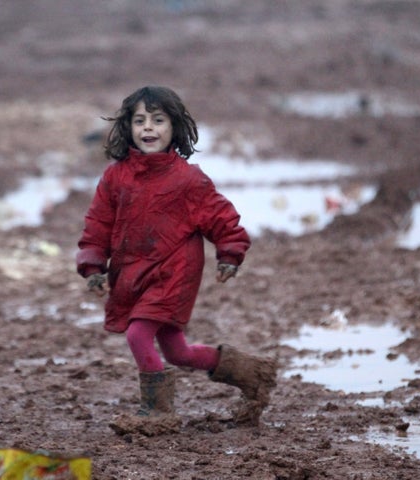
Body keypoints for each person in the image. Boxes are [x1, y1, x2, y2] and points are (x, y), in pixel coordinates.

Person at [75, 86, 277, 430]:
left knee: (138, 334)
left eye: (158, 120)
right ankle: (253, 374)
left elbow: (221, 217)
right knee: (177, 352)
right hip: (134, 272)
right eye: (140, 121)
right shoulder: (115, 176)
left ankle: (158, 412)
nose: (148, 128)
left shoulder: (188, 179)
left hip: (174, 273)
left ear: (174, 128)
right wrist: (93, 265)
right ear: (128, 127)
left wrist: (230, 253)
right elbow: (99, 223)